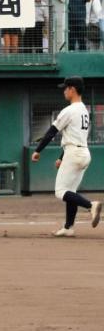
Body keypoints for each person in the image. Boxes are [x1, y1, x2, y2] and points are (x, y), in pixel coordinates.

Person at [31, 76, 101, 236]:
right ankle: (68, 227)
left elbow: (51, 132)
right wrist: (62, 157)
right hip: (82, 152)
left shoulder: (69, 110)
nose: (64, 91)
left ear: (73, 90)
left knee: (61, 191)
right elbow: (75, 136)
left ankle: (91, 205)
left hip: (74, 153)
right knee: (71, 192)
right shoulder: (84, 110)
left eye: (66, 88)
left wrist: (37, 150)